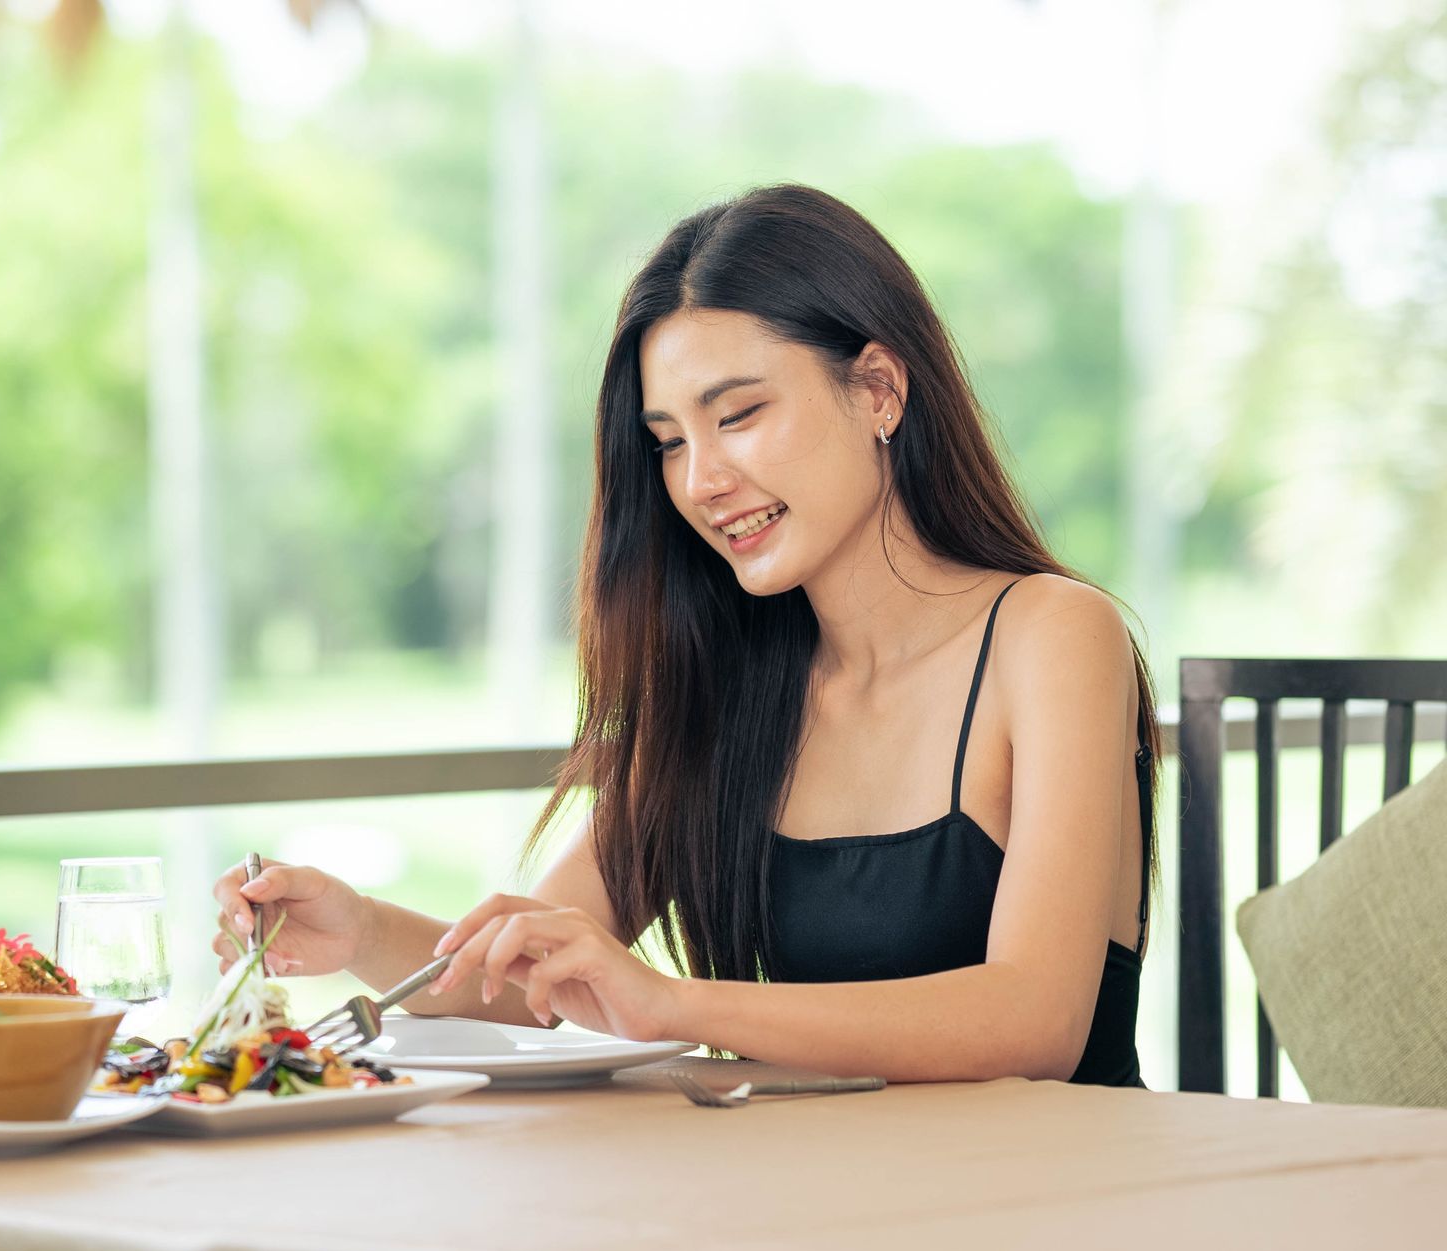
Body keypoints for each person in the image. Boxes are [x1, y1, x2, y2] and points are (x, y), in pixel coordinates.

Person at [212, 184, 1157, 1086]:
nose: (701, 480)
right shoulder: (737, 682)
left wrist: (676, 1006)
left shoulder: (1054, 635)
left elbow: (1036, 1020)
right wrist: (361, 929)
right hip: (837, 1212)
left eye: (738, 415)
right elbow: (537, 962)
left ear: (878, 390)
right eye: (668, 440)